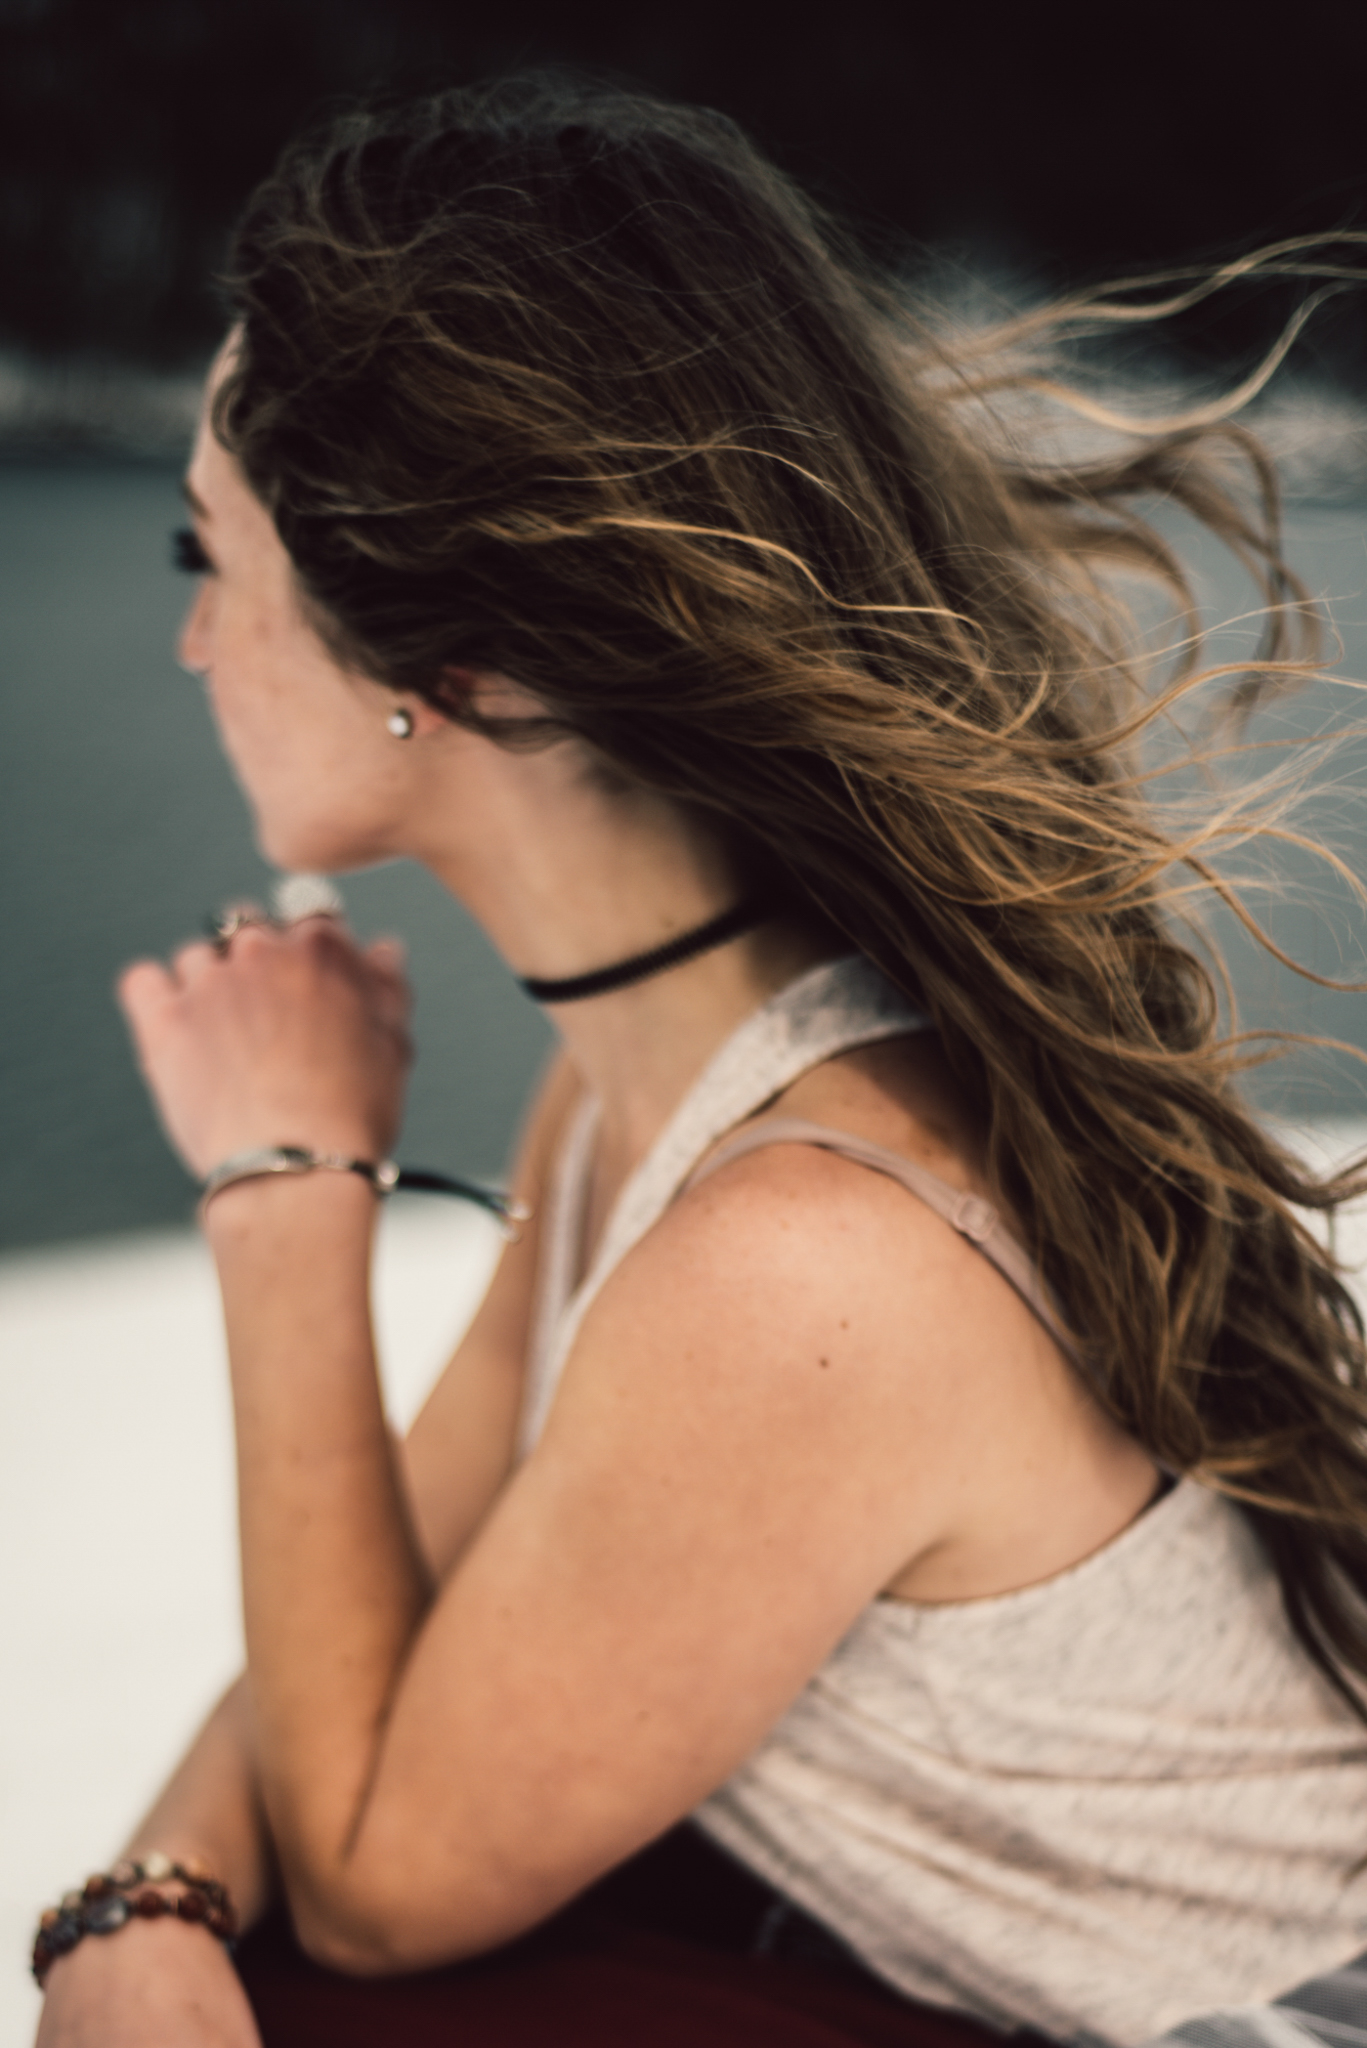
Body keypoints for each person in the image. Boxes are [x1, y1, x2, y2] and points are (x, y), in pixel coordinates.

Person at [32, 74, 1367, 2048]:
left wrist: (283, 1190)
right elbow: (386, 1607)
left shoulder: (804, 1251)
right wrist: (142, 1912)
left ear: (461, 668)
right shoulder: (678, 1064)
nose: (194, 645)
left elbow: (389, 1870)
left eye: (202, 562)